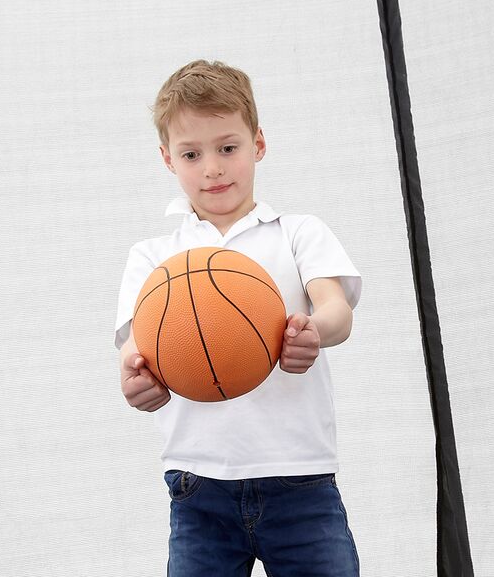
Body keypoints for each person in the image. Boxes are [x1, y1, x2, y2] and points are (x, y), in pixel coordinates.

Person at [115, 59, 362, 577]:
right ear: (167, 159)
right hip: (198, 485)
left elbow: (336, 309)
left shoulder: (297, 233)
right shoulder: (153, 257)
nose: (212, 168)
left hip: (301, 477)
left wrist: (314, 331)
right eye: (192, 154)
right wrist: (136, 380)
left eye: (228, 148)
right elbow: (135, 348)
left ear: (259, 144)